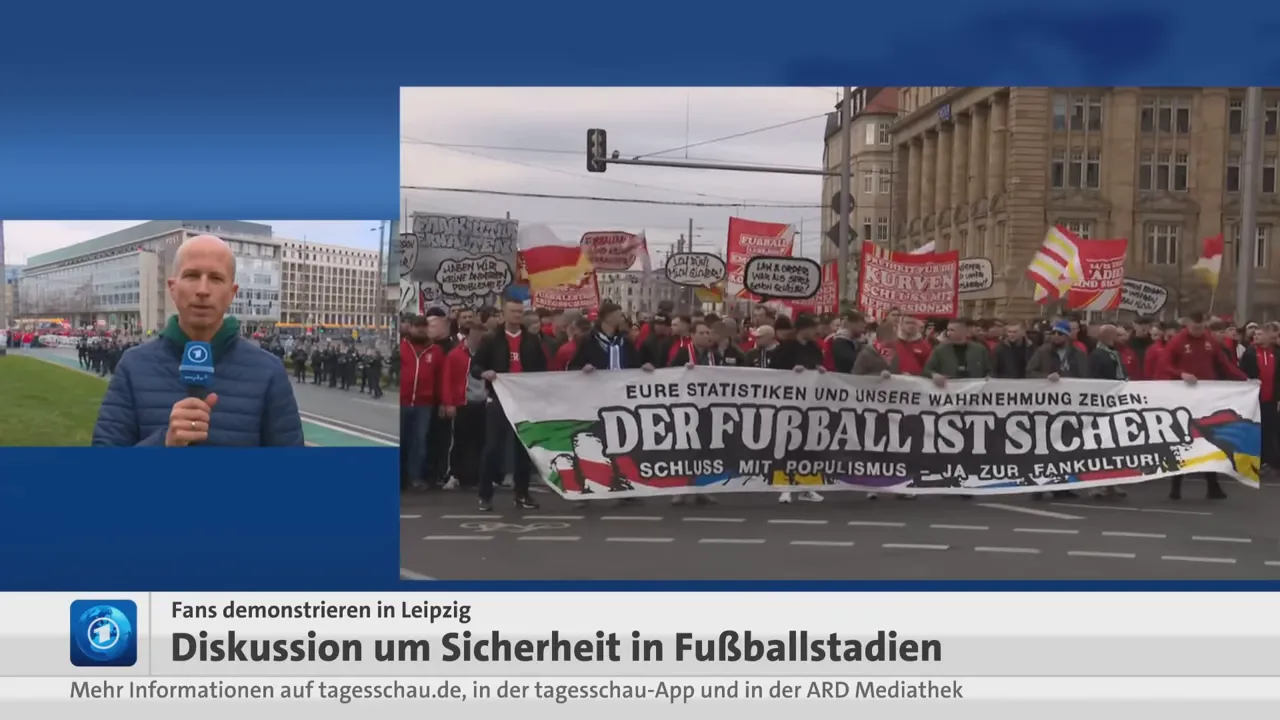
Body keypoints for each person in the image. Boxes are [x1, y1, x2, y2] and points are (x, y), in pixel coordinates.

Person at [92, 235, 304, 447]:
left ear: (232, 293)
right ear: (172, 288)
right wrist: (163, 443)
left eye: (216, 278)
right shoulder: (133, 366)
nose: (203, 290)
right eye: (192, 275)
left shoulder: (269, 372)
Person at [1156, 311, 1248, 500]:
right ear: (1187, 324)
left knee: (1208, 439)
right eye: (1194, 328)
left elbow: (1224, 363)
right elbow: (1163, 364)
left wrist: (1245, 379)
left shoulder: (1210, 340)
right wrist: (1180, 373)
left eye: (1201, 327)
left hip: (1206, 397)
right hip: (1184, 396)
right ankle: (1176, 486)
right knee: (1183, 440)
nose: (1198, 331)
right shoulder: (1178, 341)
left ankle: (1212, 486)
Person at [473, 297, 547, 512]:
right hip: (499, 399)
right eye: (512, 311)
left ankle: (522, 494)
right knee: (492, 448)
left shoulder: (532, 340)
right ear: (503, 314)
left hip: (523, 401)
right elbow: (476, 366)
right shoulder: (492, 339)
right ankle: (485, 495)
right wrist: (484, 373)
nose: (516, 315)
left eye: (519, 311)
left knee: (523, 448)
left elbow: (541, 368)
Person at [440, 322, 490, 490]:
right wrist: (449, 403)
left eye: (481, 334)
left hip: (482, 402)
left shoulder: (484, 354)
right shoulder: (456, 354)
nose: (479, 337)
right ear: (468, 335)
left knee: (480, 441)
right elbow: (447, 379)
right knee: (459, 441)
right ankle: (453, 474)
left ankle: (476, 476)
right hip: (463, 402)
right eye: (476, 333)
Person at [400, 315, 444, 491]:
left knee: (420, 441)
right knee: (402, 440)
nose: (420, 329)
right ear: (410, 328)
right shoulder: (402, 347)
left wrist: (443, 401)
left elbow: (441, 378)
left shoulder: (436, 351)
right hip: (402, 402)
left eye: (423, 326)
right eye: (417, 326)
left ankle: (415, 477)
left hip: (424, 403)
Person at [1240, 322, 1280, 477]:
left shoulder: (1275, 353)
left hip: (1270, 399)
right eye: (1255, 334)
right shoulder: (1250, 353)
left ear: (1269, 337)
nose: (1256, 336)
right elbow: (1242, 373)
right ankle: (1254, 461)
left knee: (1270, 430)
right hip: (1254, 399)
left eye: (1260, 334)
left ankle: (1271, 462)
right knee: (1254, 430)